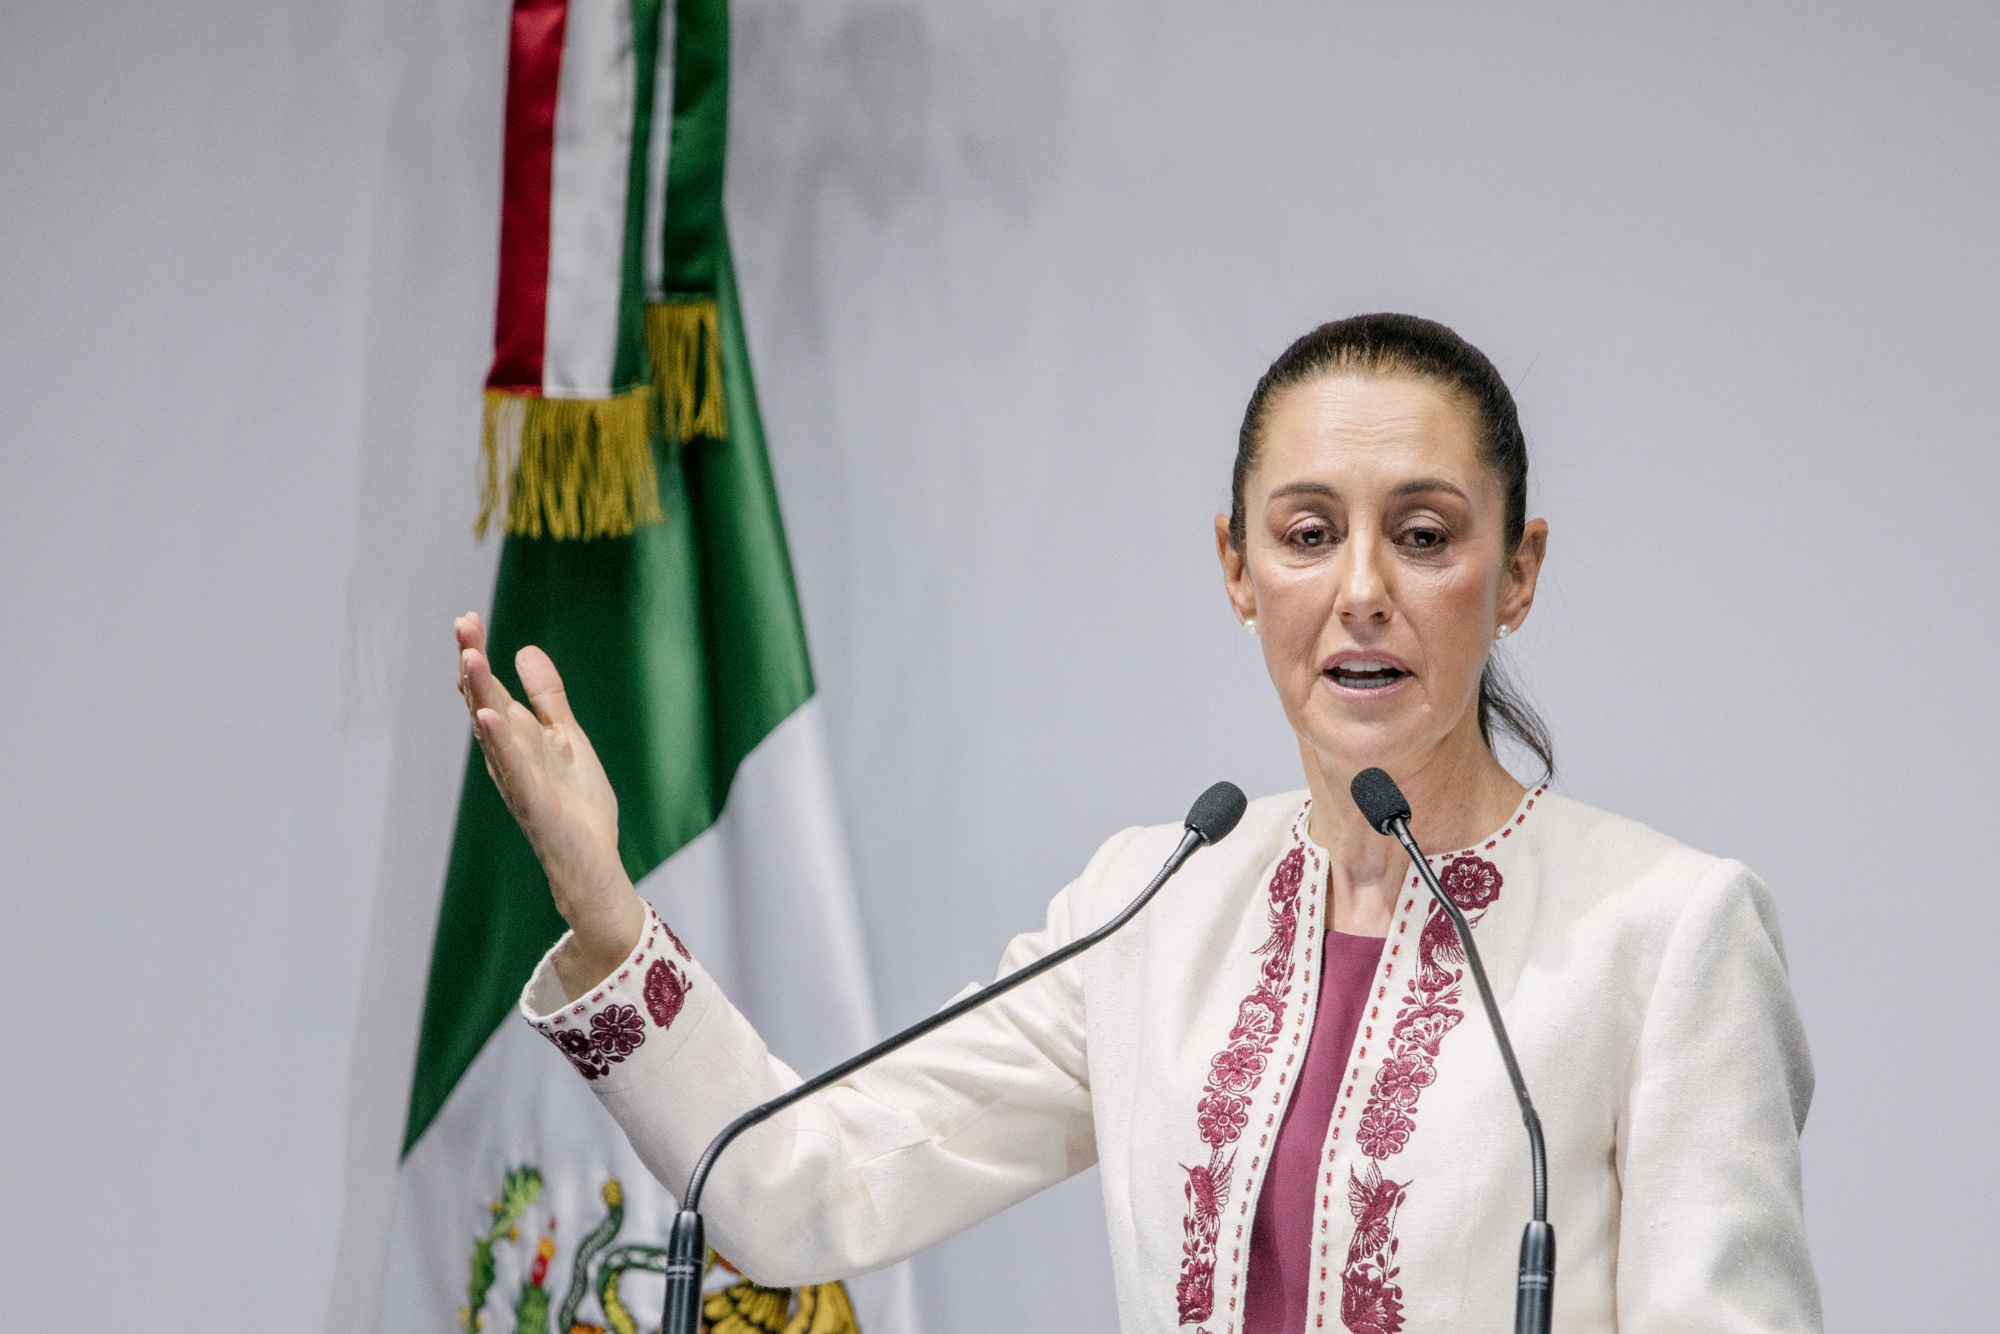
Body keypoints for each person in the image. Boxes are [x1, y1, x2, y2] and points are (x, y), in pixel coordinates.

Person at [454, 314, 1820, 1334]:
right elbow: (801, 1186)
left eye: (1423, 535)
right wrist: (606, 915)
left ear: (1517, 572)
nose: (1361, 590)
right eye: (1307, 533)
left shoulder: (1667, 933)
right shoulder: (1155, 904)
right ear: (1237, 566)